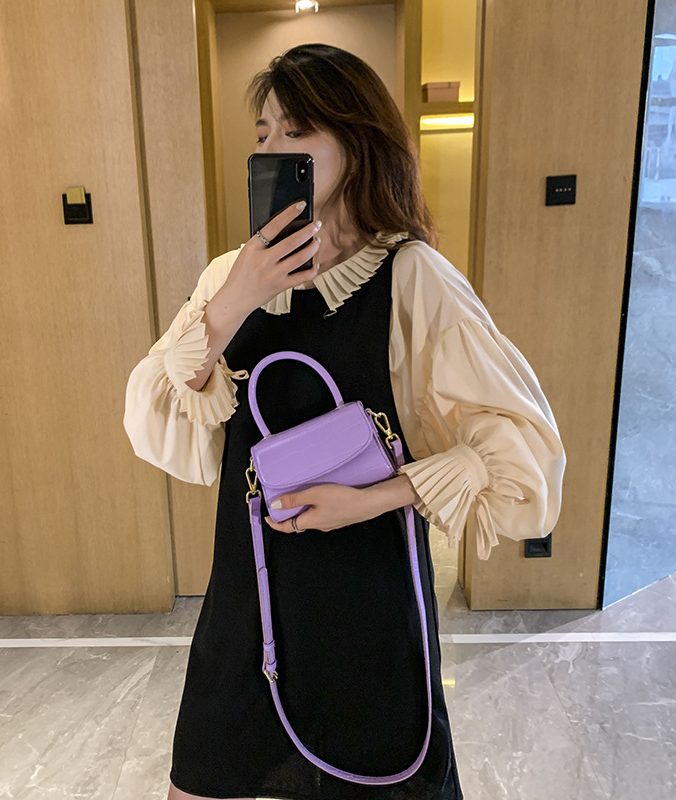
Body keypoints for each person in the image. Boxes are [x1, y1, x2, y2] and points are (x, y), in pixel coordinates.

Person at [124, 43, 566, 800]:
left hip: (368, 608)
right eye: (263, 132)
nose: (273, 147)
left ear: (357, 144)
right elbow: (152, 416)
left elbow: (522, 453)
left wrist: (373, 498)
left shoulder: (413, 278)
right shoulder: (229, 276)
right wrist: (234, 301)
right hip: (247, 598)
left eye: (296, 130)